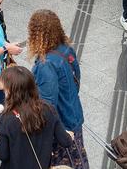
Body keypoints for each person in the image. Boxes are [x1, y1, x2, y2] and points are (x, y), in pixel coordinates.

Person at [27, 9, 88, 168]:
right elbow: (77, 80)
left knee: (64, 163)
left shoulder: (46, 64)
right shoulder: (66, 49)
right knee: (78, 159)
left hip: (62, 125)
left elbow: (47, 105)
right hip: (73, 114)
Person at [0, 66, 74, 169]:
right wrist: (70, 134)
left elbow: (3, 155)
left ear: (10, 91)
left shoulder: (6, 119)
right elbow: (66, 142)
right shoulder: (48, 109)